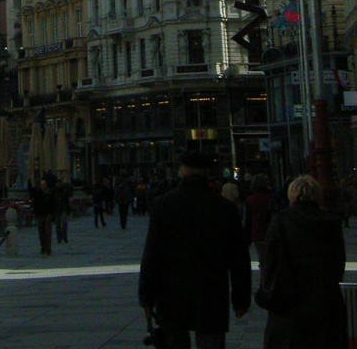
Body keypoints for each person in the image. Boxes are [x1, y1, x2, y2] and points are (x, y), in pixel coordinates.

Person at [139, 149, 251, 349]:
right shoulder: (225, 208)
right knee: (211, 341)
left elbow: (152, 254)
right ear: (208, 172)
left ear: (182, 171)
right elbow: (239, 258)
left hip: (172, 294)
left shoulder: (163, 205)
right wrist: (241, 298)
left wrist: (146, 295)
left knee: (175, 341)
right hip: (212, 294)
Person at [257, 174, 347, 349]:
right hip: (326, 304)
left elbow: (271, 263)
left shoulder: (282, 221)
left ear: (293, 195)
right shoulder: (331, 223)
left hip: (290, 306)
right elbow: (338, 266)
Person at [243, 174, 272, 265]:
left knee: (262, 258)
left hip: (257, 233)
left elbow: (248, 221)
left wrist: (247, 240)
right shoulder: (271, 198)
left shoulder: (250, 200)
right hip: (270, 231)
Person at [28, 174, 55, 255]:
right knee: (41, 232)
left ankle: (48, 249)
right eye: (41, 184)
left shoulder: (49, 194)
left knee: (47, 232)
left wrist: (51, 213)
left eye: (43, 184)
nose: (42, 186)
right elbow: (35, 203)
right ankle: (43, 246)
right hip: (40, 214)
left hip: (47, 214)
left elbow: (53, 204)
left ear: (46, 185)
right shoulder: (38, 194)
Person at [53, 177, 73, 243]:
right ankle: (59, 237)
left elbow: (66, 200)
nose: (59, 185)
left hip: (63, 208)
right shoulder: (54, 191)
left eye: (60, 183)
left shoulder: (64, 191)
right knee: (58, 224)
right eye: (58, 184)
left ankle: (64, 236)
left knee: (64, 222)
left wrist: (68, 209)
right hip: (56, 209)